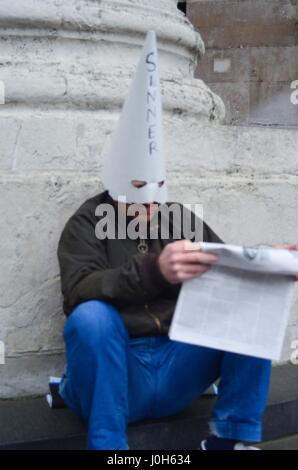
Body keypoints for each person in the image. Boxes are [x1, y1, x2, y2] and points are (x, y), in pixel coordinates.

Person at [57, 31, 298, 450]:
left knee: (253, 301)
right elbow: (79, 292)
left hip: (177, 367)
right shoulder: (86, 222)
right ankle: (108, 447)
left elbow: (224, 267)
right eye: (136, 186)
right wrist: (155, 270)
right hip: (116, 374)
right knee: (91, 317)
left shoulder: (179, 216)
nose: (148, 205)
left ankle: (233, 438)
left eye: (157, 189)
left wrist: (266, 263)